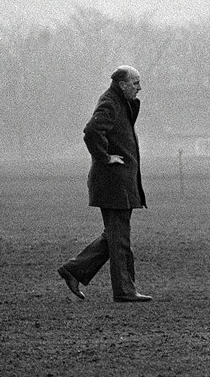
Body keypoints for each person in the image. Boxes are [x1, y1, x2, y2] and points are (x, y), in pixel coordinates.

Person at [57, 65, 152, 302]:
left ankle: (74, 270)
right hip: (113, 184)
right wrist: (105, 157)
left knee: (113, 236)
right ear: (122, 84)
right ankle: (125, 291)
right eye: (135, 83)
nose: (139, 88)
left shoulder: (122, 103)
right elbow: (91, 131)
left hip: (120, 184)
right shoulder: (110, 103)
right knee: (120, 240)